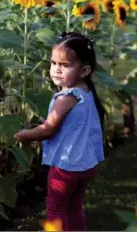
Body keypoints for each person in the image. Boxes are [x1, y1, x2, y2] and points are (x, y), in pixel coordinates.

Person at [14, 31, 106, 231]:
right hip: (85, 165)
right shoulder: (86, 93)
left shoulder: (66, 98)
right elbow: (66, 123)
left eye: (65, 65)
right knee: (73, 208)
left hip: (66, 167)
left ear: (84, 70)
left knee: (56, 211)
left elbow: (48, 130)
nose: (56, 69)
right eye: (53, 63)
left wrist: (24, 136)